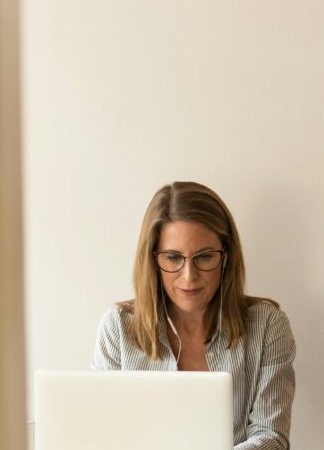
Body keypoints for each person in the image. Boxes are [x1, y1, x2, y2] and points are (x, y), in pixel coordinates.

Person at [93, 181, 296, 450]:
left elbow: (271, 437)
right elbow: (103, 433)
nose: (189, 276)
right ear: (153, 260)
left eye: (204, 257)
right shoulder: (118, 327)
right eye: (173, 258)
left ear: (225, 256)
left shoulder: (268, 325)